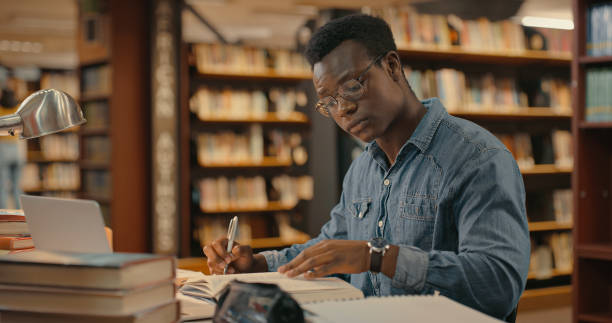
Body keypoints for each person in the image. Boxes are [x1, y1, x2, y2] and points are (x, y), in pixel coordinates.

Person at [203, 14, 529, 321]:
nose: (343, 109)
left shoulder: (478, 158)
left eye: (351, 87)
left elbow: (498, 283)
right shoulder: (361, 171)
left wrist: (378, 257)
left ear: (391, 66)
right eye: (328, 101)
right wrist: (258, 263)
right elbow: (330, 249)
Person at [0, 83, 25, 209]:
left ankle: (3, 214)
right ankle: (20, 213)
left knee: (2, 186)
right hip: (17, 149)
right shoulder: (19, 109)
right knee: (17, 186)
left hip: (2, 149)